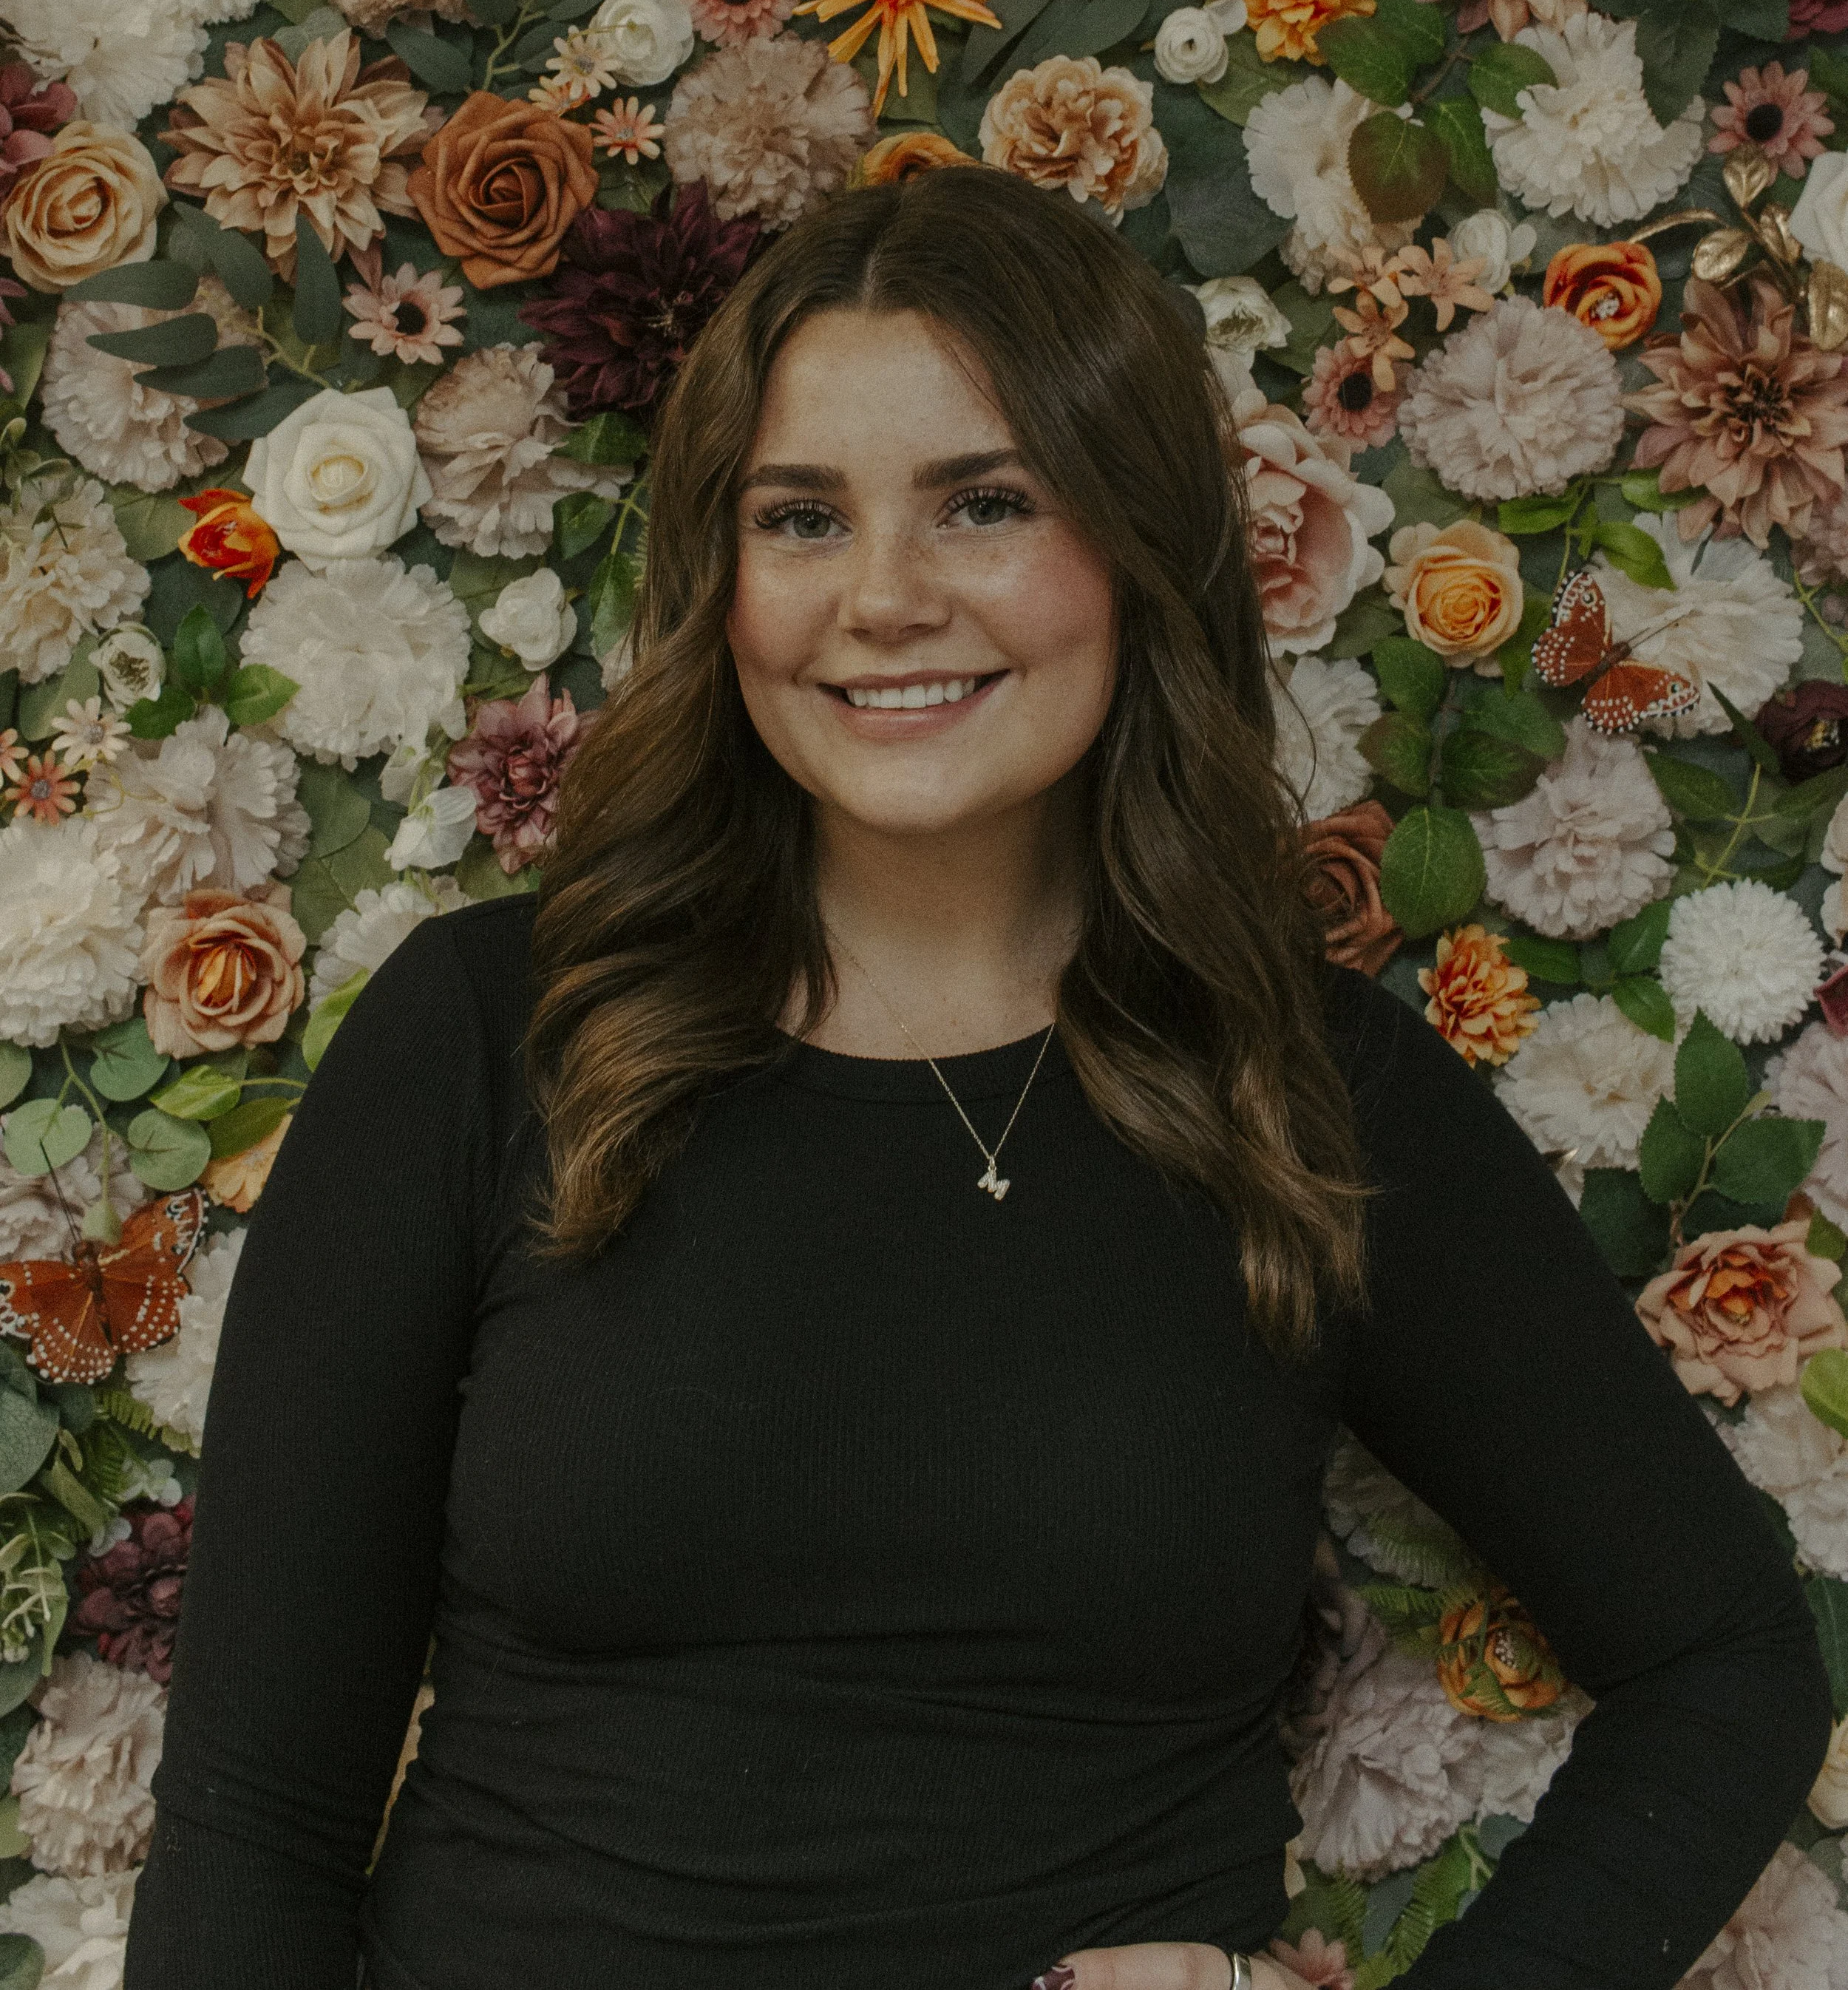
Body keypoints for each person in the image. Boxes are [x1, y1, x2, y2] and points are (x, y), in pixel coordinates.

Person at [126, 163, 1831, 1990]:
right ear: (722, 575)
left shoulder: (1305, 1092)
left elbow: (1723, 1660)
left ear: (1136, 540)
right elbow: (257, 1820)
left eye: (982, 503)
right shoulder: (492, 1036)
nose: (879, 599)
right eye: (799, 518)